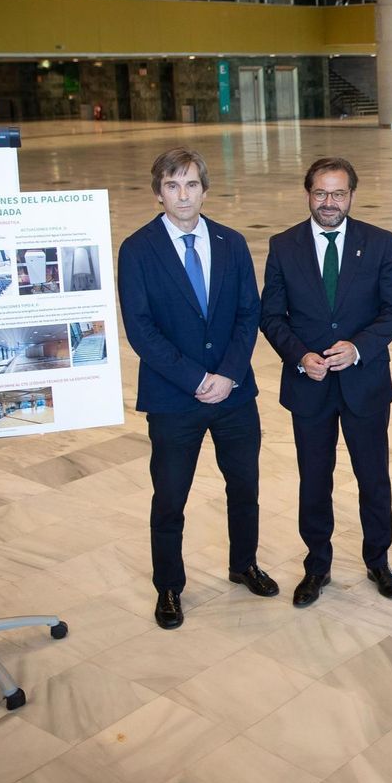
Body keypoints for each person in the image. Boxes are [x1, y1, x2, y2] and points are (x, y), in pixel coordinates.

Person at [118, 147, 271, 630]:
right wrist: (195, 378)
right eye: (171, 185)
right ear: (158, 192)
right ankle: (168, 585)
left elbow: (250, 313)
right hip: (172, 399)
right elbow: (140, 329)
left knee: (244, 486)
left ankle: (243, 562)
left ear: (204, 190)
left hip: (235, 394)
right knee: (170, 497)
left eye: (190, 184)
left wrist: (227, 374)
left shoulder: (232, 242)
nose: (182, 195)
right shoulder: (138, 249)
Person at [260, 157, 392, 608]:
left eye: (338, 194)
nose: (329, 202)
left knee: (373, 477)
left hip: (363, 383)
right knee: (314, 480)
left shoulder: (378, 242)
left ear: (351, 196)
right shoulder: (283, 245)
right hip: (310, 384)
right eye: (321, 193)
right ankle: (317, 565)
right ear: (308, 194)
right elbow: (271, 315)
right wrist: (300, 355)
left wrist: (358, 347)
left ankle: (378, 561)